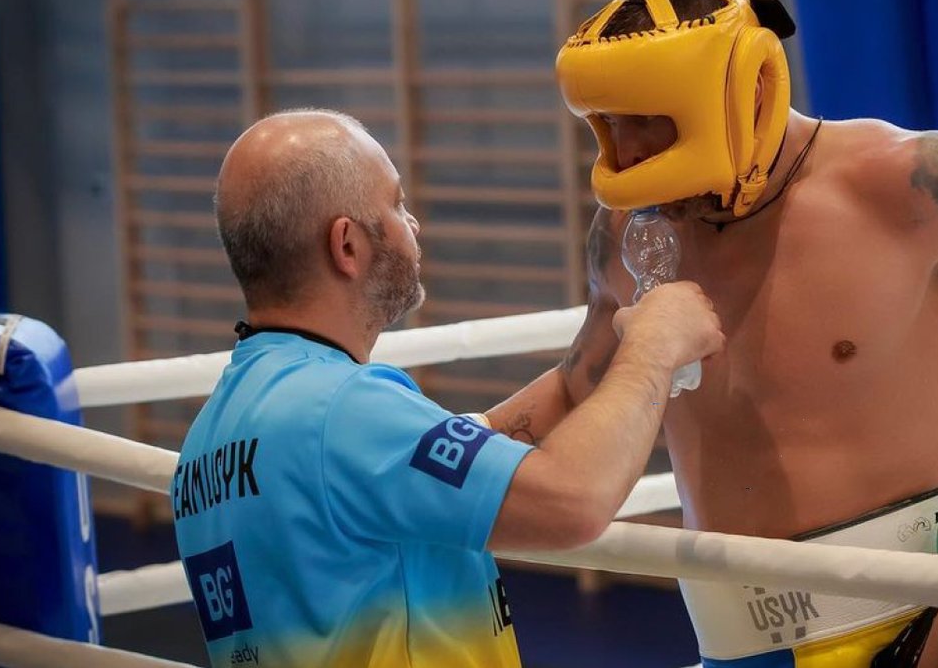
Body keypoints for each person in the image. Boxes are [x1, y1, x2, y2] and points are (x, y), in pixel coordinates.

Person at [484, 0, 938, 667]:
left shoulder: (911, 180)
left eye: (648, 119)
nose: (628, 151)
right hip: (743, 642)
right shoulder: (631, 234)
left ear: (744, 89)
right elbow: (581, 386)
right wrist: (440, 451)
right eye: (609, 122)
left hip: (935, 605)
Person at [171, 109, 724, 668]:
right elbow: (574, 502)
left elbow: (484, 440)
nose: (413, 225)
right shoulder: (343, 410)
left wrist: (610, 306)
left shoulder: (217, 431)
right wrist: (653, 350)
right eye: (396, 204)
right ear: (347, 245)